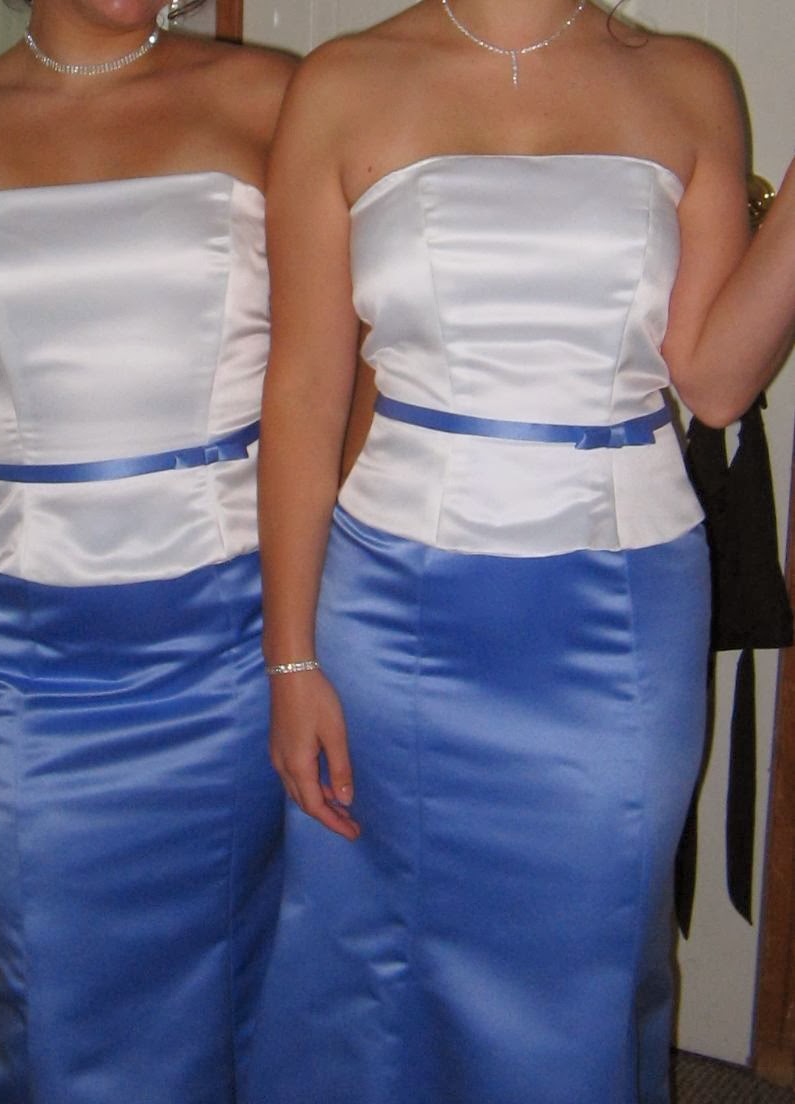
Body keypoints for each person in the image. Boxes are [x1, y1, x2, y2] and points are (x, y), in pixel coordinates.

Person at [248, 1, 795, 1101]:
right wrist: (290, 657)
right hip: (390, 606)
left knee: (586, 950)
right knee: (370, 952)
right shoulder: (341, 83)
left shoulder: (686, 80)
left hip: (620, 610)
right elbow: (304, 392)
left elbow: (713, 382)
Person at [0, 1, 294, 1100]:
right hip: (28, 645)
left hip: (229, 623)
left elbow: (345, 354)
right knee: (51, 963)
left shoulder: (269, 96)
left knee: (218, 958)